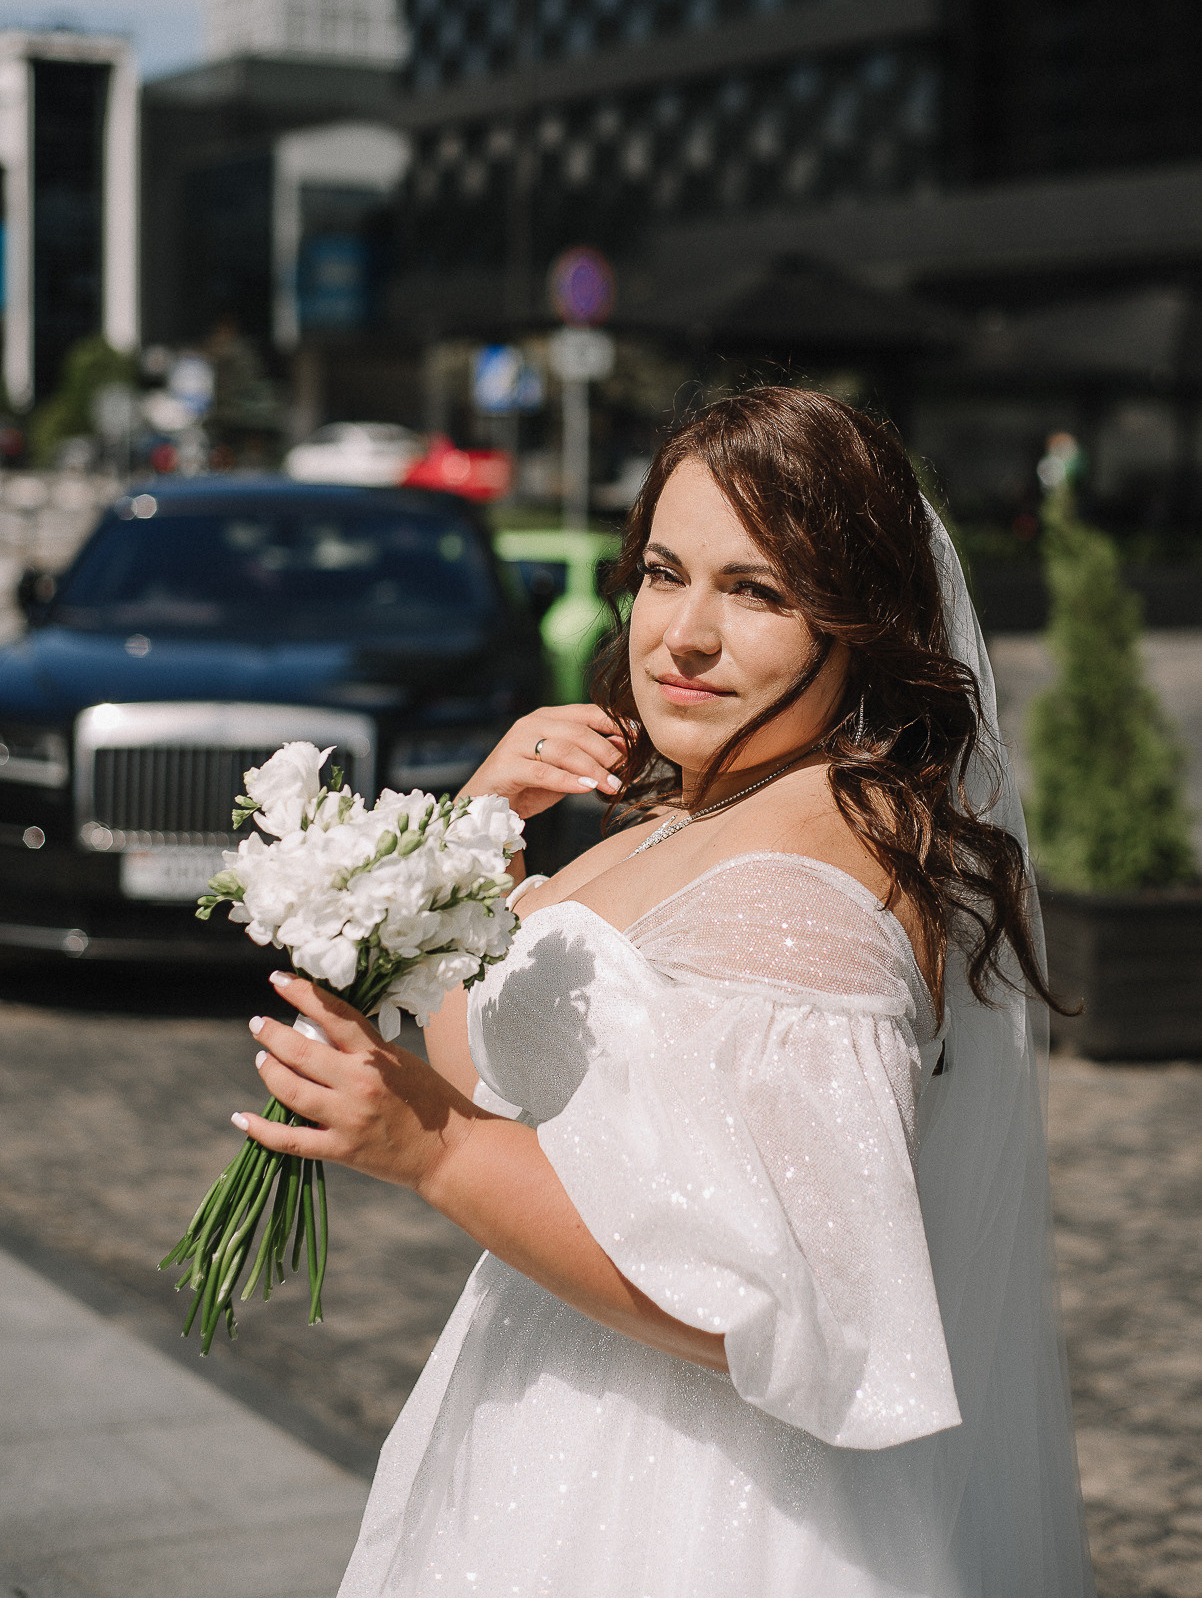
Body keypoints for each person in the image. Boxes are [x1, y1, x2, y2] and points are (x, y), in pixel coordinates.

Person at [239, 389, 1095, 1597]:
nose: (679, 635)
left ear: (857, 623)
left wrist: (432, 1152)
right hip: (541, 1435)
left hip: (686, 1509)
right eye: (663, 571)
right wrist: (477, 840)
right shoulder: (688, 808)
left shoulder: (809, 875)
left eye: (755, 591)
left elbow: (787, 1306)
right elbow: (498, 1068)